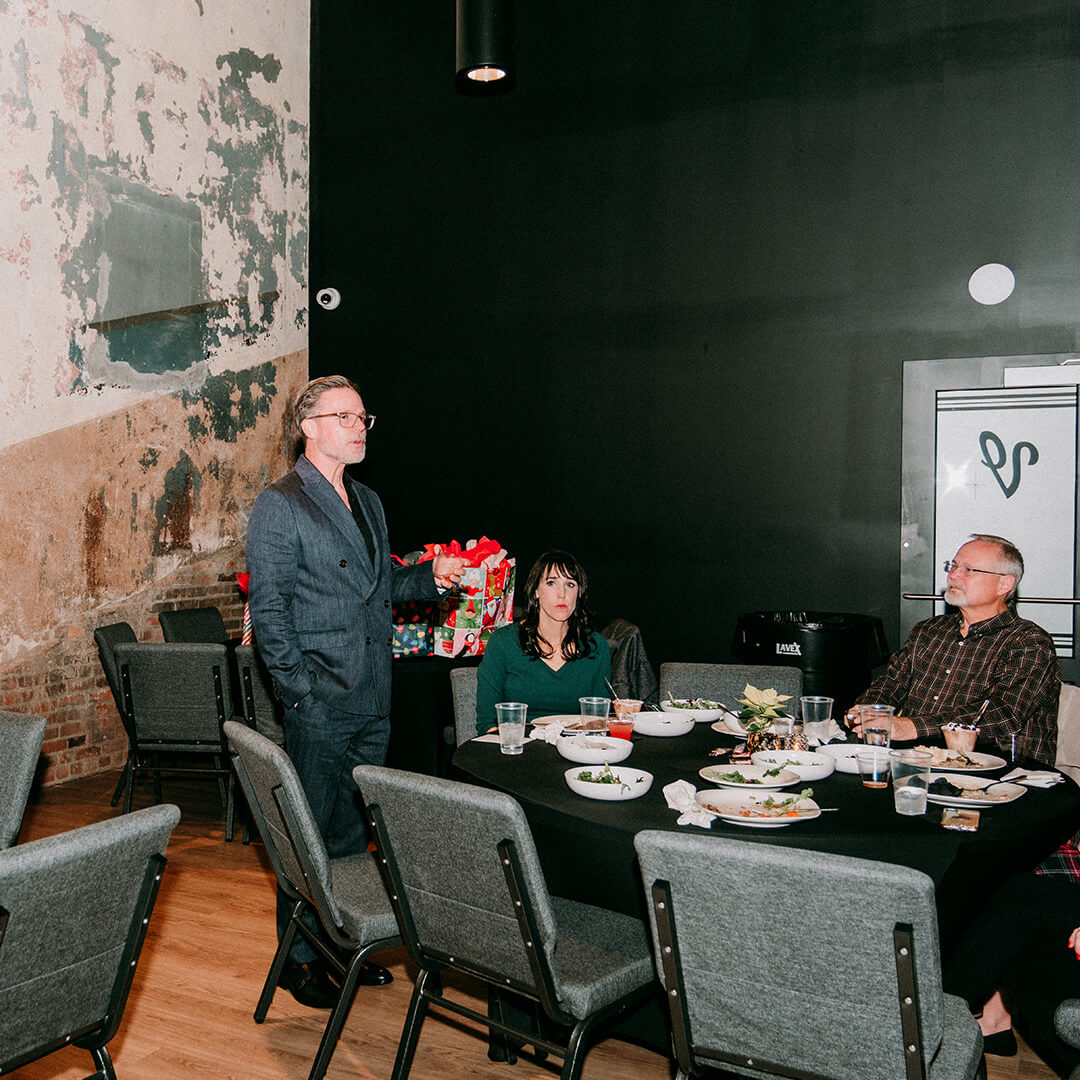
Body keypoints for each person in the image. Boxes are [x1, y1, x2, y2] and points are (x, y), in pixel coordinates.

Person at [246, 375, 466, 1009]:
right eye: (343, 417)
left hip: (372, 694)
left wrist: (430, 576)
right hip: (320, 698)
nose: (358, 427)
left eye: (363, 417)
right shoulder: (280, 503)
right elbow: (270, 612)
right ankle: (297, 960)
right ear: (308, 428)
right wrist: (299, 693)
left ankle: (340, 947)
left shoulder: (367, 500)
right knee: (309, 835)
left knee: (349, 833)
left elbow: (379, 587)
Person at [847, 533, 1060, 766]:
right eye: (954, 566)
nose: (954, 575)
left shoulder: (1029, 642)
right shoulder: (929, 630)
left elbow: (1002, 714)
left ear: (1004, 584)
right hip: (916, 761)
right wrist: (869, 713)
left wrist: (912, 727)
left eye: (969, 570)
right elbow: (891, 684)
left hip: (1001, 771)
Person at [475, 550, 611, 735]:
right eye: (551, 583)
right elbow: (487, 724)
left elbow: (599, 722)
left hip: (576, 746)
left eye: (570, 584)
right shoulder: (503, 642)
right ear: (536, 591)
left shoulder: (596, 646)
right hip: (521, 746)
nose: (562, 594)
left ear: (578, 594)